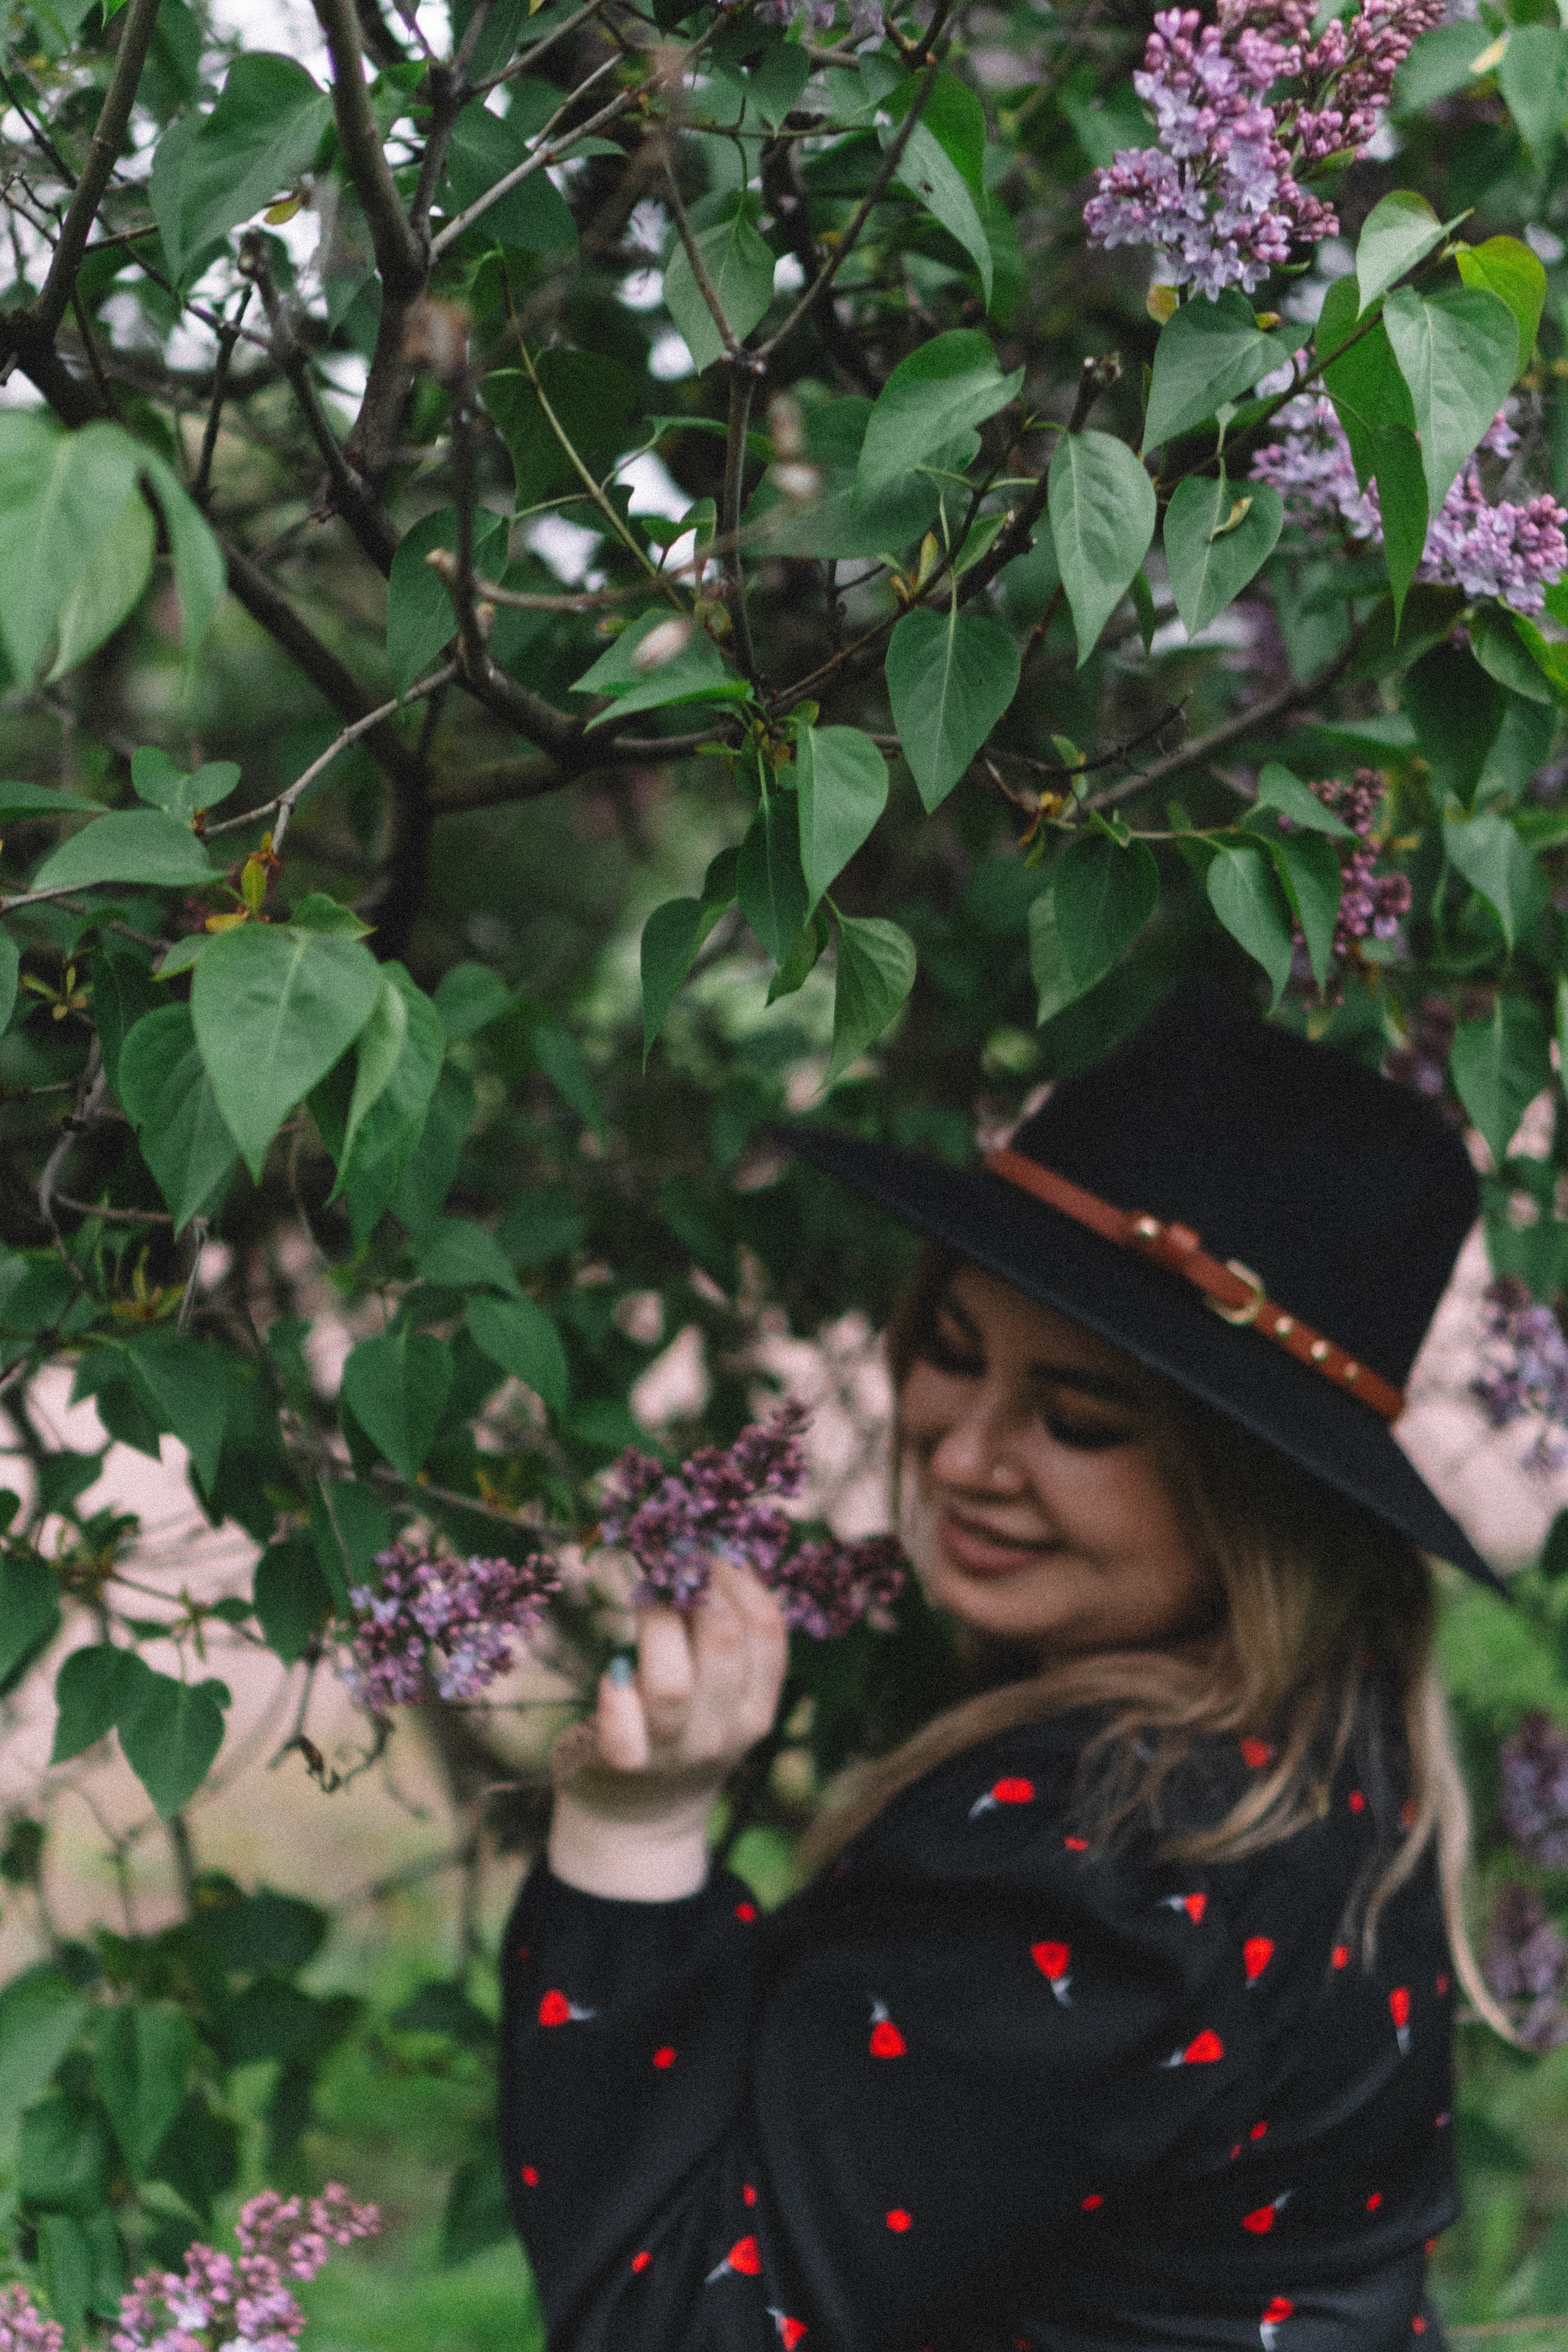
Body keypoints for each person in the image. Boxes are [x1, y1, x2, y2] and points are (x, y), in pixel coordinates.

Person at [499, 982, 1511, 2352]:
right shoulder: (1317, 1737)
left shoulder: (1106, 1864)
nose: (962, 1455)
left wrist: (633, 1837)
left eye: (1079, 1420)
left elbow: (675, 2322)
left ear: (1261, 1493)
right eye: (953, 1353)